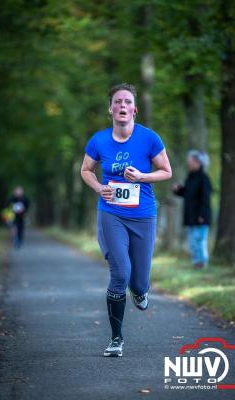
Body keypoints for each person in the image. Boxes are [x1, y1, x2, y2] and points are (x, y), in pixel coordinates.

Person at [81, 83, 172, 357]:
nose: (122, 106)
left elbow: (166, 171)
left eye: (127, 102)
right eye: (117, 101)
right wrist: (99, 187)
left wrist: (143, 177)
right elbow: (86, 170)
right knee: (120, 273)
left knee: (139, 280)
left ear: (134, 109)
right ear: (110, 109)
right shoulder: (98, 140)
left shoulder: (149, 138)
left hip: (143, 215)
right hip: (111, 213)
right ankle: (116, 339)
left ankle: (141, 292)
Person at [173, 150, 212, 269]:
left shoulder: (204, 178)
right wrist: (178, 190)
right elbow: (187, 194)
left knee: (199, 241)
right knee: (193, 242)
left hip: (201, 216)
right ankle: (196, 263)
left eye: (191, 161)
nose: (188, 163)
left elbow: (205, 199)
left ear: (198, 163)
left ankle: (202, 263)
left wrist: (202, 215)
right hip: (190, 215)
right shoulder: (190, 178)